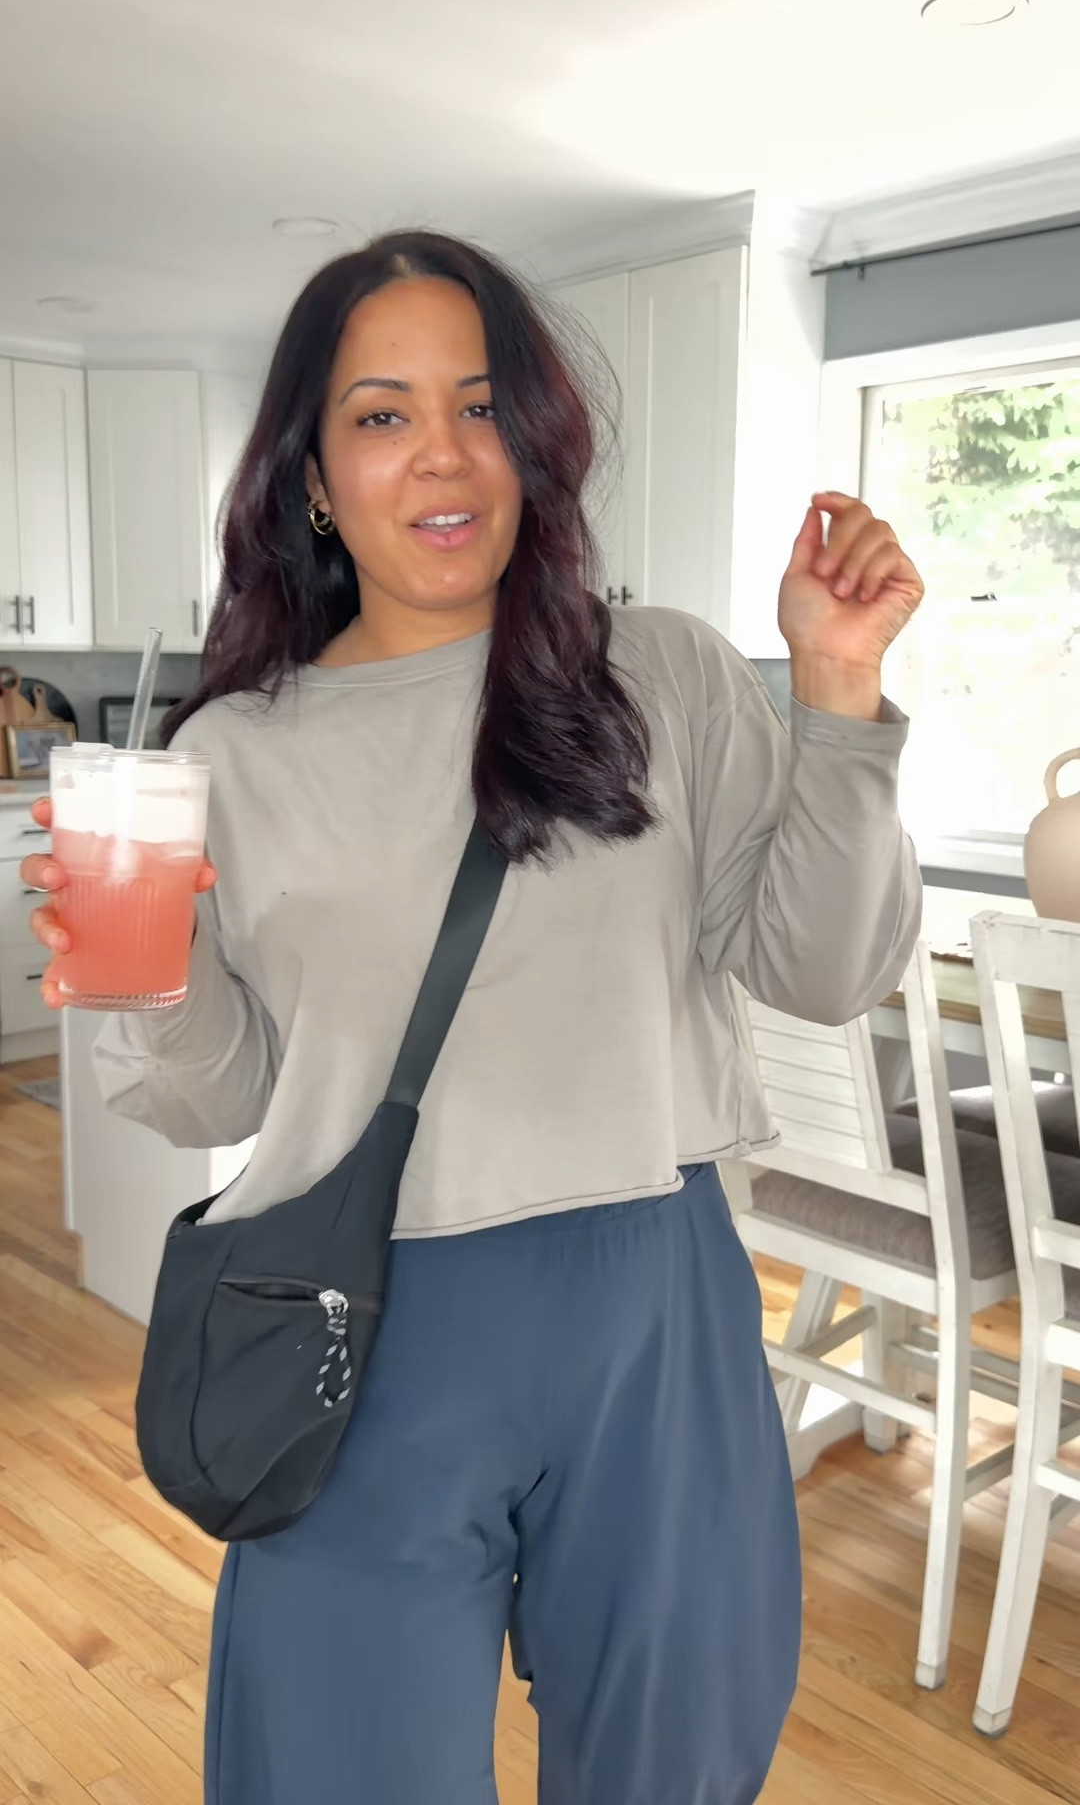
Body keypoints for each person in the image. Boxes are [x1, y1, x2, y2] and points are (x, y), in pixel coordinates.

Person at [21, 230, 924, 1805]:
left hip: (657, 1302)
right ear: (313, 474)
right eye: (382, 415)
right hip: (357, 1318)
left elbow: (824, 971)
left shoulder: (662, 676)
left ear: (536, 442)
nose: (442, 453)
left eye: (482, 405)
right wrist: (139, 977)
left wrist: (837, 695)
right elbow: (215, 1095)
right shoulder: (231, 750)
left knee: (671, 1760)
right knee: (340, 1769)